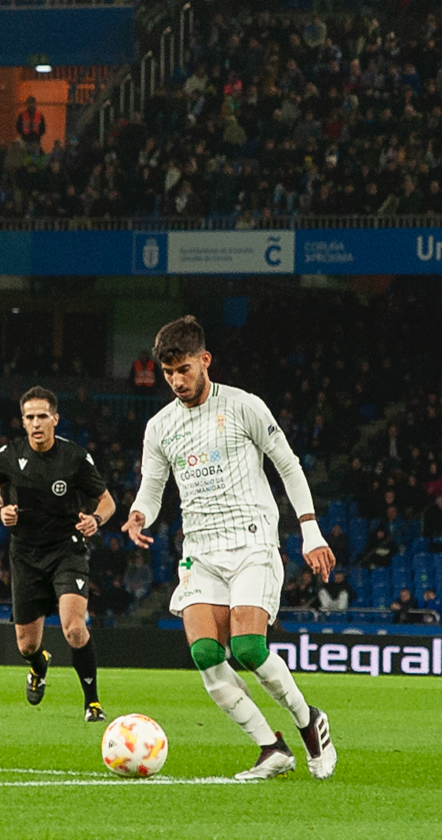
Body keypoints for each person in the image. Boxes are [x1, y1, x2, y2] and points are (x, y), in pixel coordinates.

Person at [122, 315, 337, 781]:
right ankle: (270, 747)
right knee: (204, 655)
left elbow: (288, 465)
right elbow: (153, 486)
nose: (177, 381)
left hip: (251, 540)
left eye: (184, 369)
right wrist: (140, 514)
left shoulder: (244, 407)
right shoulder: (160, 427)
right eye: (168, 373)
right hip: (200, 549)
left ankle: (309, 721)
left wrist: (311, 530)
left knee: (247, 647)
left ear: (205, 360)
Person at [0, 386, 117, 722]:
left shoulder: (74, 458)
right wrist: (0, 511)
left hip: (66, 551)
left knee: (73, 628)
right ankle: (38, 669)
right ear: (23, 421)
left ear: (55, 419)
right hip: (25, 555)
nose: (36, 423)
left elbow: (107, 501)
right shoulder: (8, 456)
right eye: (30, 417)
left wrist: (95, 520)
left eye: (43, 416)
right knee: (27, 646)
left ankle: (93, 703)